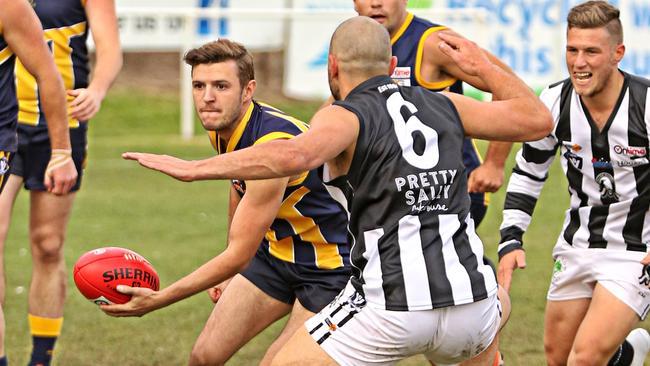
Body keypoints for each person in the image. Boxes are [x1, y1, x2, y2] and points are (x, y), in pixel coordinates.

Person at [122, 16, 553, 365]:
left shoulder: (343, 116)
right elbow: (537, 120)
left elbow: (289, 157)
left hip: (391, 309)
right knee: (492, 304)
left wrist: (194, 168)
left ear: (332, 66)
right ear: (390, 65)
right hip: (473, 309)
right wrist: (483, 70)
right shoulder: (446, 104)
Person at [102, 39, 351, 366]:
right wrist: (229, 269)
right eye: (199, 85)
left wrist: (159, 299)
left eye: (221, 86)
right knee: (204, 356)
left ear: (248, 90)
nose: (207, 98)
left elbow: (238, 253)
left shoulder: (271, 144)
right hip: (275, 256)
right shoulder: (222, 123)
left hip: (329, 269)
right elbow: (238, 187)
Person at [497, 1, 650, 365]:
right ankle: (629, 354)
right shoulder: (554, 101)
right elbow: (529, 171)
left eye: (591, 52)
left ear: (618, 54)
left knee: (583, 358)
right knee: (558, 357)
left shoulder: (645, 104)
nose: (579, 62)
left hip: (635, 251)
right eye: (572, 50)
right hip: (577, 244)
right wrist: (510, 238)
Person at [0, 1, 121, 365]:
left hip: (59, 124)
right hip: (7, 127)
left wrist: (96, 90)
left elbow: (110, 48)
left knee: (48, 244)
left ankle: (41, 359)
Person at [353, 0, 513, 227]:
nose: (376, 3)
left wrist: (494, 163)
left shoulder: (432, 43)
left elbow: (508, 85)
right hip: (394, 189)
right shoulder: (357, 44)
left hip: (451, 189)